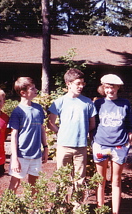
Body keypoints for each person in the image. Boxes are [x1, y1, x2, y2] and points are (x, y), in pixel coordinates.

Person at [47, 68, 96, 198]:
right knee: (62, 178)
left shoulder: (88, 102)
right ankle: (61, 207)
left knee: (79, 179)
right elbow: (50, 123)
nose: (81, 86)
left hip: (81, 147)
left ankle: (77, 207)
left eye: (82, 83)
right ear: (68, 84)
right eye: (78, 83)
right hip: (64, 146)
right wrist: (61, 132)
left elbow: (92, 124)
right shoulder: (59, 102)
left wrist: (81, 132)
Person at [92, 74, 132, 214]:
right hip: (101, 145)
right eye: (107, 87)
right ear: (103, 88)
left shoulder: (125, 103)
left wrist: (128, 140)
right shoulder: (98, 103)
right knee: (100, 181)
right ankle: (100, 210)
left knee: (116, 181)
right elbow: (93, 124)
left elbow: (129, 124)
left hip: (119, 147)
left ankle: (115, 212)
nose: (110, 90)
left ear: (118, 88)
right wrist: (94, 141)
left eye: (113, 87)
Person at [8, 77, 48, 195]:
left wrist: (45, 148)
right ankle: (8, 208)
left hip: (36, 154)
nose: (36, 90)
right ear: (23, 93)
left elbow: (42, 129)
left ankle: (34, 209)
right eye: (33, 88)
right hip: (21, 155)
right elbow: (14, 135)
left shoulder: (38, 108)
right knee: (14, 184)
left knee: (34, 185)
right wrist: (14, 158)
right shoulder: (17, 111)